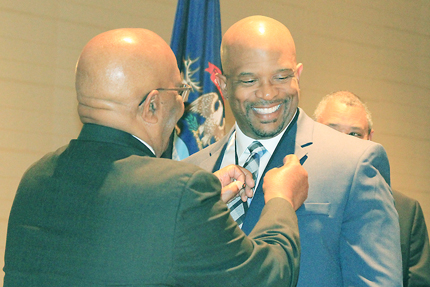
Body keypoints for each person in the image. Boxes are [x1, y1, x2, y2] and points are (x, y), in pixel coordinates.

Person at [3, 28, 309, 287]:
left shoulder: (37, 178)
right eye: (178, 92)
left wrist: (189, 202)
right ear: (151, 105)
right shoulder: (178, 191)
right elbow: (266, 276)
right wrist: (281, 199)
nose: (182, 106)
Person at [185, 15, 403, 286]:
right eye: (249, 80)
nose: (268, 93)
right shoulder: (193, 173)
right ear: (222, 84)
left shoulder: (353, 164)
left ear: (298, 75)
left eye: (281, 77)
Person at [314, 90, 430, 287]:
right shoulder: (290, 195)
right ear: (313, 133)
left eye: (355, 134)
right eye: (332, 131)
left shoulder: (406, 212)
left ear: (370, 139)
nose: (344, 142)